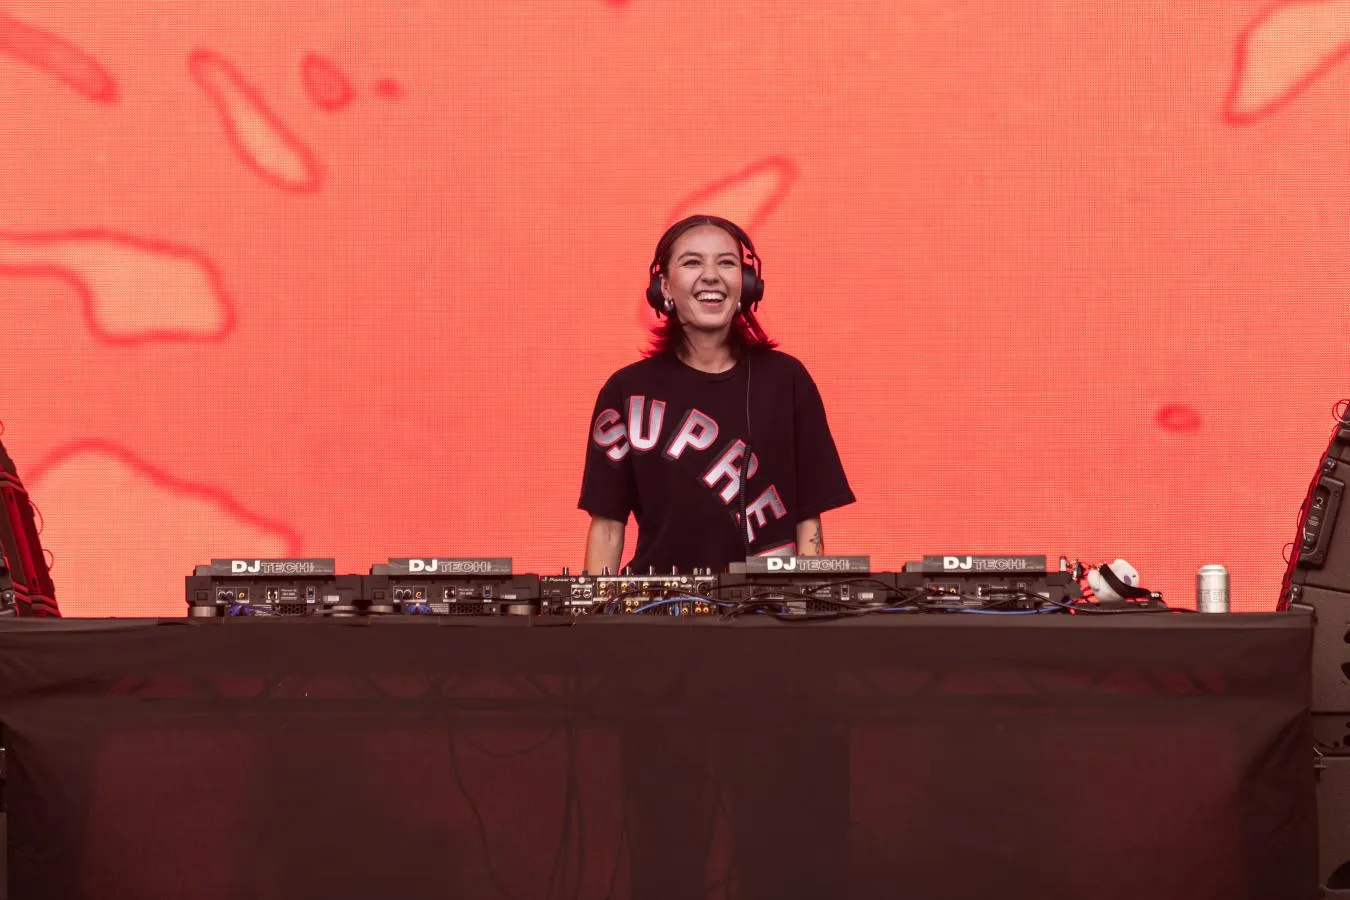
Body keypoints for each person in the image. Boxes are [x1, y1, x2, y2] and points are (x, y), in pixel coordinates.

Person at [579, 214, 854, 575]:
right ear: (664, 287)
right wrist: (595, 605)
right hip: (660, 603)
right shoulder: (625, 392)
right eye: (692, 262)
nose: (711, 275)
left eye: (726, 263)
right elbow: (607, 528)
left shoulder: (788, 381)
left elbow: (808, 521)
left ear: (747, 285)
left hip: (769, 603)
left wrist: (806, 599)